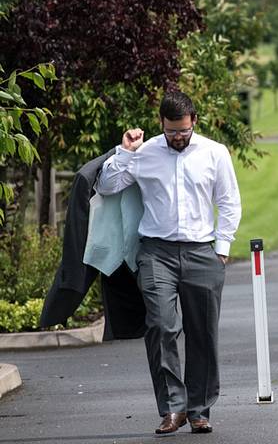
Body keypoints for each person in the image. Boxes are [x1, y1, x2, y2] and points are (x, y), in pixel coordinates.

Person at [98, 90, 241, 435]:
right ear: (160, 123)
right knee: (161, 325)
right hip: (156, 253)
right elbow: (106, 186)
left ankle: (199, 409)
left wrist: (221, 249)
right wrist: (124, 152)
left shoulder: (214, 153)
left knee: (202, 332)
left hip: (202, 252)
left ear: (194, 122)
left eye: (183, 131)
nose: (178, 137)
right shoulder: (144, 154)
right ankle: (172, 409)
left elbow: (229, 201)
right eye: (172, 131)